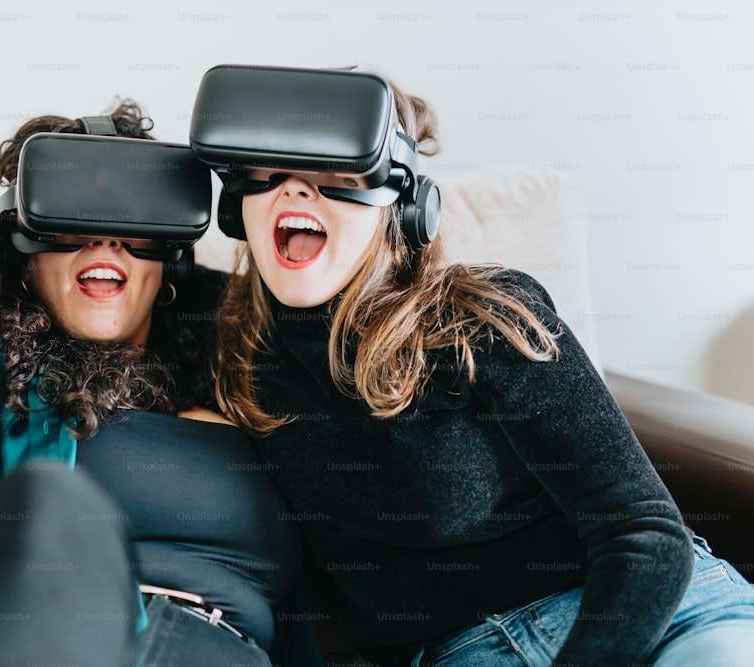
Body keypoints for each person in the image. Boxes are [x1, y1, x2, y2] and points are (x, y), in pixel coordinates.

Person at [0, 2, 320, 665]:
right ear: (25, 250)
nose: (105, 236)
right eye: (71, 210)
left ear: (167, 260)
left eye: (134, 215)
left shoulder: (255, 390)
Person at [205, 66, 754, 666]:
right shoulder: (229, 342)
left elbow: (642, 531)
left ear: (404, 203)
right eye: (271, 166)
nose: (296, 189)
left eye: (336, 168)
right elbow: (109, 258)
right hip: (466, 653)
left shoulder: (480, 317)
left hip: (653, 612)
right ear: (238, 204)